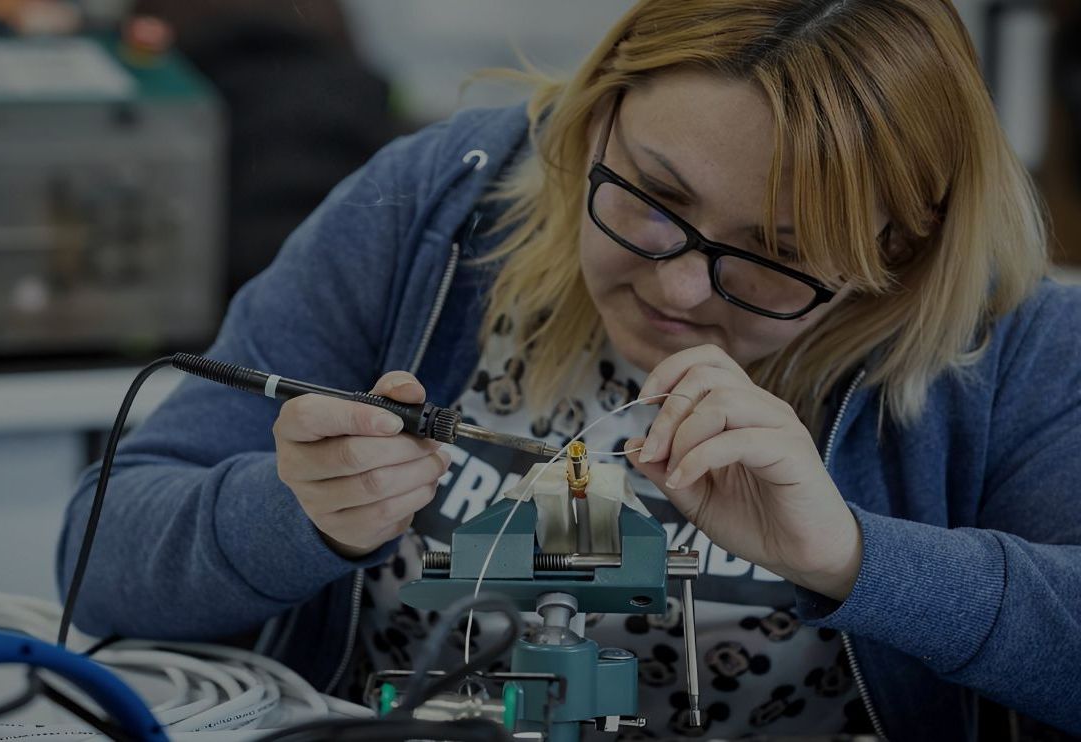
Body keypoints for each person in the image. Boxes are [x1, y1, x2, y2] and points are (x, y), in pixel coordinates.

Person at [56, 1, 1081, 739]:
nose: (681, 293)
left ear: (892, 256)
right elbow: (99, 561)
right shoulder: (435, 211)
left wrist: (857, 557)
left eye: (774, 252)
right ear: (594, 114)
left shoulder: (1010, 336)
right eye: (654, 201)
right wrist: (295, 515)